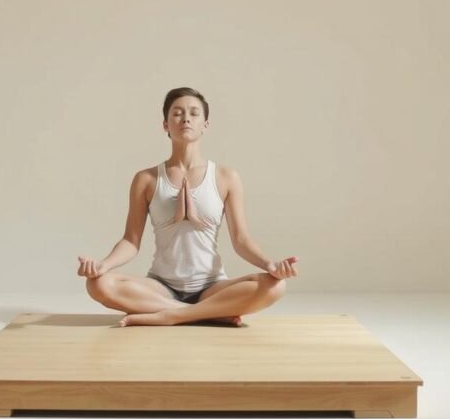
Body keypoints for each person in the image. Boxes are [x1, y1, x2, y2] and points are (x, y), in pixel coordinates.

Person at [78, 87, 298, 327]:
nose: (185, 118)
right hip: (161, 287)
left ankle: (170, 316)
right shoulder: (146, 179)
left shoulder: (226, 177)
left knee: (275, 285)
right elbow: (130, 241)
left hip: (212, 287)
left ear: (205, 124)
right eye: (177, 113)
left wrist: (271, 265)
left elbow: (241, 240)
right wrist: (103, 265)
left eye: (194, 113)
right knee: (98, 284)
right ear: (165, 125)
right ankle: (203, 313)